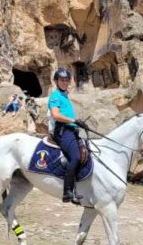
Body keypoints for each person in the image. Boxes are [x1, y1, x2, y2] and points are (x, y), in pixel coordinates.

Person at [48, 68, 87, 204]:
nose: (64, 82)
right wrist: (73, 121)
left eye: (66, 80)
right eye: (62, 80)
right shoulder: (55, 96)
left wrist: (78, 124)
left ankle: (79, 187)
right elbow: (55, 115)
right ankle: (67, 192)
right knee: (75, 157)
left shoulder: (65, 96)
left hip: (71, 130)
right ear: (56, 81)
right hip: (62, 132)